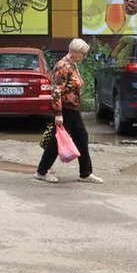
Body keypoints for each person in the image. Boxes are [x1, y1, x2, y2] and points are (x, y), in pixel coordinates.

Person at [35, 37, 103, 184]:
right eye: (83, 54)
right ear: (75, 52)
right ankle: (42, 171)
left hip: (72, 109)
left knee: (81, 137)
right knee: (57, 141)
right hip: (65, 109)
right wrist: (58, 114)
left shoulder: (72, 64)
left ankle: (85, 173)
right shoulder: (63, 66)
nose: (84, 57)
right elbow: (56, 91)